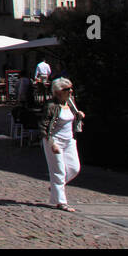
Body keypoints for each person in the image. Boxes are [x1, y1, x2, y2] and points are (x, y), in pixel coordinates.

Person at [40, 78, 86, 212]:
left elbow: (72, 118)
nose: (71, 91)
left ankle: (55, 187)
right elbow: (44, 126)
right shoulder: (51, 106)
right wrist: (51, 143)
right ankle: (61, 202)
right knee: (58, 171)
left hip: (69, 140)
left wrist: (78, 115)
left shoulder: (70, 103)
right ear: (58, 92)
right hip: (54, 141)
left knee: (74, 168)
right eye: (67, 89)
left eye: (71, 88)